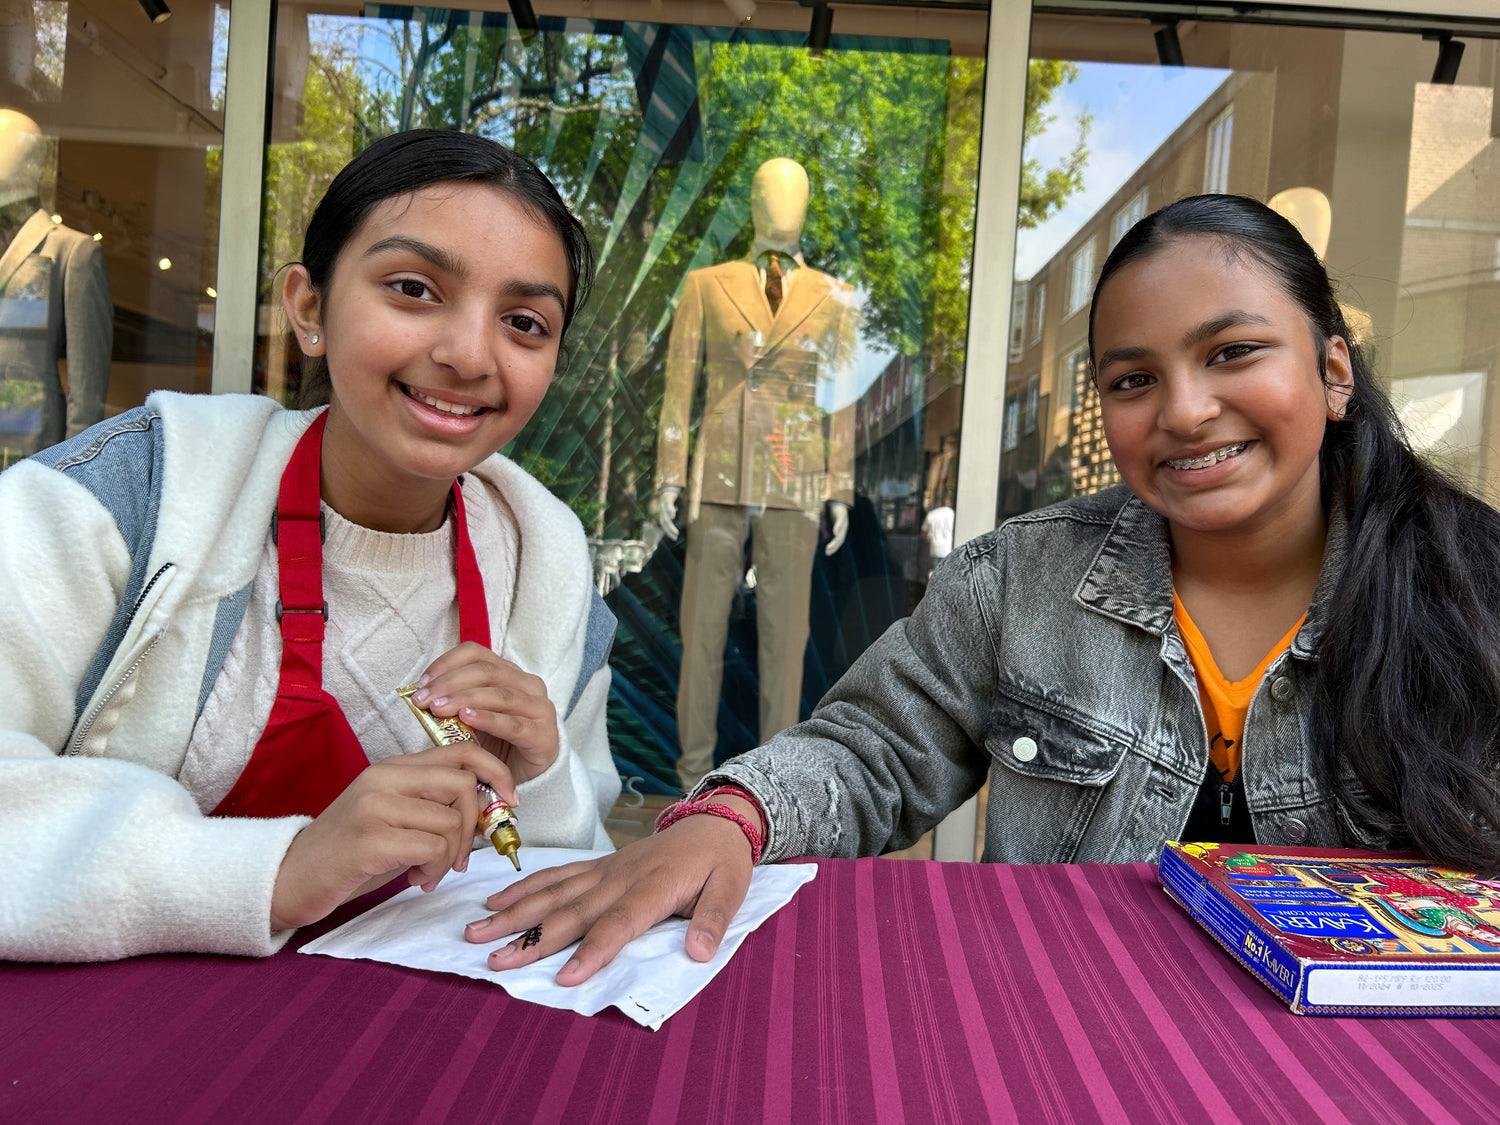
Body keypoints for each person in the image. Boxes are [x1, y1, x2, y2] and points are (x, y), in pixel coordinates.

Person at [463, 193, 1500, 985]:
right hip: (1067, 1029)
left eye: (1232, 352)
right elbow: (868, 752)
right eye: (1133, 380)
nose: (1185, 410)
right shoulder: (1025, 577)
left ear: (1332, 370)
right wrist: (726, 818)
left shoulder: (1473, 590)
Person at [0, 130, 621, 961]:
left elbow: (563, 894)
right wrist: (280, 868)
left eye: (523, 322)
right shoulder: (133, 496)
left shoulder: (548, 579)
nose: (469, 355)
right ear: (309, 306)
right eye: (413, 288)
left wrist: (542, 782)